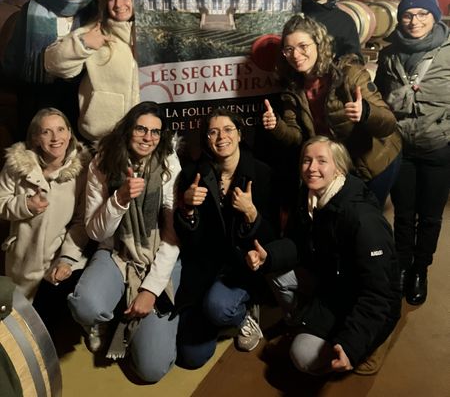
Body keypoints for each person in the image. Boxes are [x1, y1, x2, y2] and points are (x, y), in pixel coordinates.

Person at [247, 137, 401, 376]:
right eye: (307, 161)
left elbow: (379, 294)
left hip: (363, 298)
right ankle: (300, 325)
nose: (311, 168)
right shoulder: (309, 196)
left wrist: (352, 345)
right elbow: (297, 243)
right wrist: (270, 254)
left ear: (338, 167)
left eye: (321, 161)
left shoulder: (363, 219)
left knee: (303, 357)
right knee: (273, 271)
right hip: (331, 285)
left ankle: (370, 344)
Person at [68, 101, 181, 383]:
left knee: (151, 369)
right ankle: (106, 315)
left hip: (158, 254)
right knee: (86, 306)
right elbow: (96, 232)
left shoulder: (168, 161)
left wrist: (151, 290)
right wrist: (119, 199)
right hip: (116, 250)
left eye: (155, 132)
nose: (148, 137)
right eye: (141, 129)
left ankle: (134, 316)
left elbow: (172, 237)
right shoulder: (103, 161)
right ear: (128, 129)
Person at [174, 108, 278, 368]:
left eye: (228, 129)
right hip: (204, 269)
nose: (222, 136)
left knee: (218, 307)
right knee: (191, 356)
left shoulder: (263, 174)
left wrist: (251, 213)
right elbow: (190, 240)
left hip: (242, 268)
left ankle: (240, 314)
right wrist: (186, 211)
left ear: (240, 134)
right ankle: (217, 311)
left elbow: (273, 237)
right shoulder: (192, 176)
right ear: (206, 139)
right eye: (213, 131)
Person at [263, 14, 401, 207]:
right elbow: (297, 137)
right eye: (289, 49)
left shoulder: (350, 74)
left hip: (373, 161)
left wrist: (366, 113)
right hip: (336, 165)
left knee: (365, 220)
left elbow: (389, 123)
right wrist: (277, 125)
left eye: (303, 46)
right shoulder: (293, 87)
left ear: (318, 45)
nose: (295, 55)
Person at [375, 0, 450, 305]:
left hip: (438, 148)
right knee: (404, 214)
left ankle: (421, 269)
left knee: (430, 216)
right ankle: (403, 266)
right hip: (401, 148)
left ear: (434, 16)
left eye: (422, 14)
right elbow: (378, 94)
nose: (414, 20)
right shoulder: (390, 53)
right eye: (408, 14)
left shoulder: (448, 50)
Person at [0, 108, 91, 325]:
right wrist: (26, 205)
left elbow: (81, 220)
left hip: (57, 262)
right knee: (15, 322)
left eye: (60, 130)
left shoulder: (83, 170)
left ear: (69, 134)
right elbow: (1, 203)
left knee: (47, 325)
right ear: (35, 138)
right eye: (46, 132)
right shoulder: (16, 166)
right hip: (22, 259)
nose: (55, 137)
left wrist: (67, 258)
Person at [1, 0, 98, 139]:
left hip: (76, 92)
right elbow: (14, 53)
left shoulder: (92, 12)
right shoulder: (31, 8)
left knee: (73, 147)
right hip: (37, 92)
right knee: (36, 144)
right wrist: (17, 86)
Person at [45, 0, 139, 143]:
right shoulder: (95, 30)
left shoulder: (152, 34)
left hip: (144, 136)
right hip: (102, 137)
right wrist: (83, 44)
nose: (118, 5)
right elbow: (52, 63)